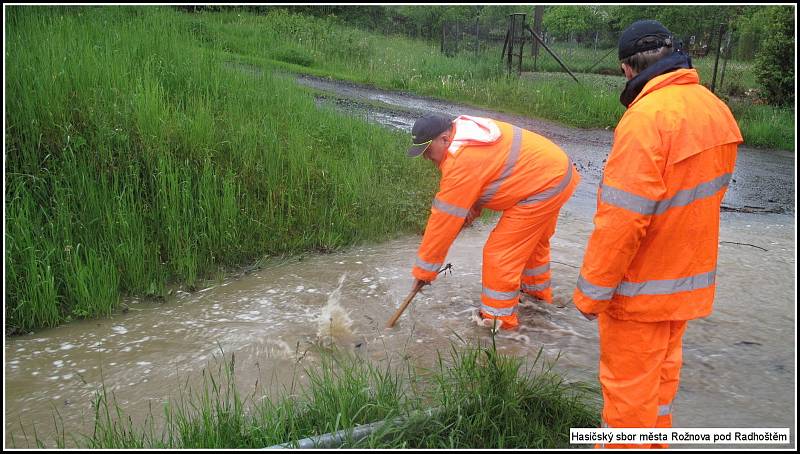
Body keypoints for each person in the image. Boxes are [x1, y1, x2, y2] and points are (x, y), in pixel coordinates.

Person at [572, 20, 743, 448]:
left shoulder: (645, 119)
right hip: (685, 284)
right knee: (660, 389)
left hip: (639, 291)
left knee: (627, 402)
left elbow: (622, 220)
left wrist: (592, 293)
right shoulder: (713, 107)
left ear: (627, 70)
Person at [406, 113, 580, 330]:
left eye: (427, 151)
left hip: (545, 184)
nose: (426, 158)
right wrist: (471, 210)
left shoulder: (462, 160)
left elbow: (442, 223)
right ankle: (537, 303)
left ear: (443, 138)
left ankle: (499, 326)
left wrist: (424, 272)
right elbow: (489, 177)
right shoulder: (465, 137)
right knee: (532, 247)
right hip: (556, 173)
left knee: (500, 254)